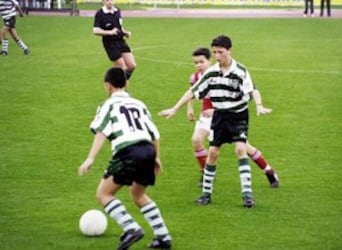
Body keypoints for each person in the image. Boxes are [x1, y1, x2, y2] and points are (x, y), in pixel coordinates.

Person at [159, 35, 272, 208]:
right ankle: (206, 194)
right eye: (215, 52)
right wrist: (175, 108)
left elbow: (253, 90)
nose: (218, 56)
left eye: (221, 52)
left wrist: (259, 105)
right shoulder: (211, 72)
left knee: (240, 149)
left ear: (229, 51)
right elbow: (193, 91)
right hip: (219, 116)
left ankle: (247, 195)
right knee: (212, 153)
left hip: (238, 115)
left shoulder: (240, 71)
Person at [78, 67, 171, 250]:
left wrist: (90, 158)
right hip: (147, 150)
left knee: (104, 194)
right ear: (126, 84)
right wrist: (156, 157)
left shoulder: (107, 105)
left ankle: (131, 229)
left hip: (128, 152)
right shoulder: (139, 104)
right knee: (139, 194)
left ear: (108, 86)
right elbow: (155, 134)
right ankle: (163, 237)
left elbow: (101, 132)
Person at [187, 47, 279, 189]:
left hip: (225, 115)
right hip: (207, 117)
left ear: (209, 61)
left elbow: (246, 92)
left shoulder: (225, 73)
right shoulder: (196, 77)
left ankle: (268, 170)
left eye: (201, 62)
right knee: (196, 140)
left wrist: (215, 109)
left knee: (244, 148)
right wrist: (190, 107)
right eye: (196, 63)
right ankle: (205, 172)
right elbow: (192, 92)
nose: (199, 65)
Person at [93, 0, 136, 80]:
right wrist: (110, 32)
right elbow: (95, 30)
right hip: (110, 44)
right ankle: (121, 89)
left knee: (132, 65)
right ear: (103, 1)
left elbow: (119, 26)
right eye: (107, 0)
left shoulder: (117, 11)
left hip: (121, 41)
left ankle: (115, 83)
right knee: (122, 69)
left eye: (111, 0)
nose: (110, 2)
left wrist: (125, 32)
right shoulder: (100, 13)